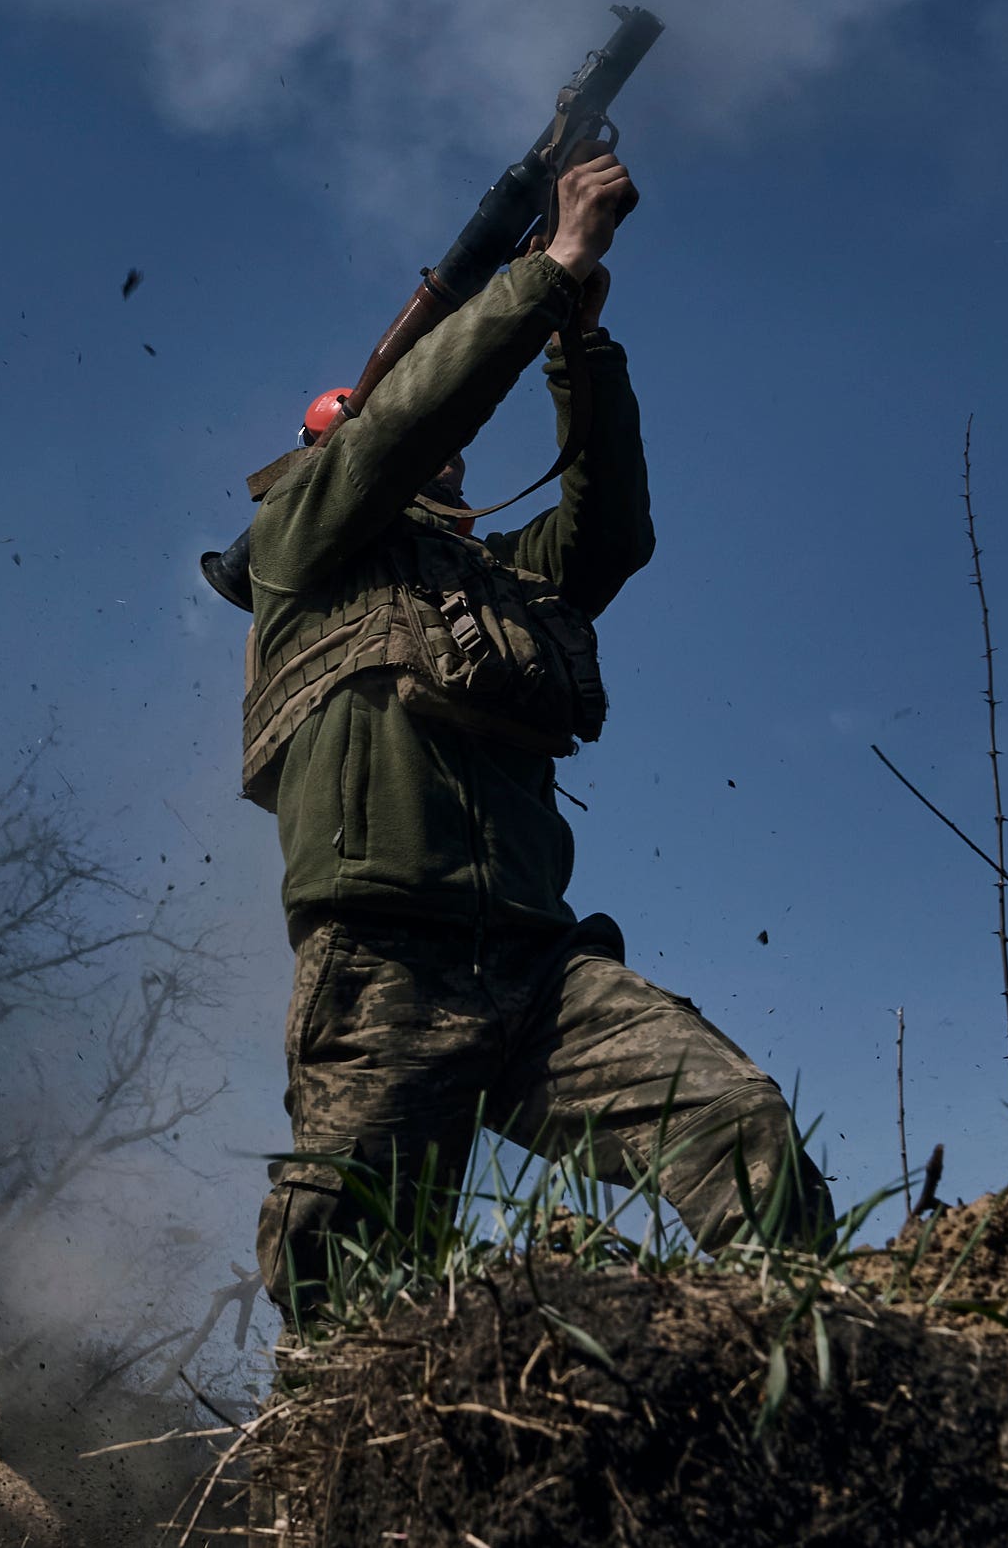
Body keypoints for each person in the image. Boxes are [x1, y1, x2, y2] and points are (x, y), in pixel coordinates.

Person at [238, 149, 828, 1324]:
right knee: (350, 1283)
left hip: (535, 964)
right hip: (383, 968)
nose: (434, 446)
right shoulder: (301, 543)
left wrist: (579, 342)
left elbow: (607, 534)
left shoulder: (491, 581)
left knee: (732, 1118)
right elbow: (397, 429)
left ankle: (807, 1368)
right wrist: (550, 268)